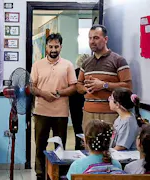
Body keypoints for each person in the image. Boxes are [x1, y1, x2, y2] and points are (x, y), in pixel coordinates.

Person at [30, 33, 77, 179]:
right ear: (46, 47)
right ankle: (40, 174)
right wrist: (43, 94)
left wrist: (58, 93)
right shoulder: (37, 65)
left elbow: (73, 87)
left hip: (61, 114)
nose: (53, 49)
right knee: (40, 146)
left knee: (60, 147)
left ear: (61, 47)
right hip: (41, 112)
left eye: (56, 46)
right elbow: (31, 87)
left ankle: (59, 174)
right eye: (51, 46)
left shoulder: (68, 65)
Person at [76, 24, 132, 132]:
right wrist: (85, 89)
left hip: (109, 114)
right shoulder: (86, 63)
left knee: (108, 147)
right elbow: (78, 85)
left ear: (105, 39)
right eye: (90, 38)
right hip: (88, 114)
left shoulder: (118, 60)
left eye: (96, 38)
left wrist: (103, 85)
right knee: (89, 147)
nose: (92, 41)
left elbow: (128, 87)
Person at [69, 54, 90, 150]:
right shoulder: (91, 75)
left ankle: (78, 149)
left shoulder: (74, 73)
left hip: (74, 105)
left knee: (77, 130)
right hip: (87, 105)